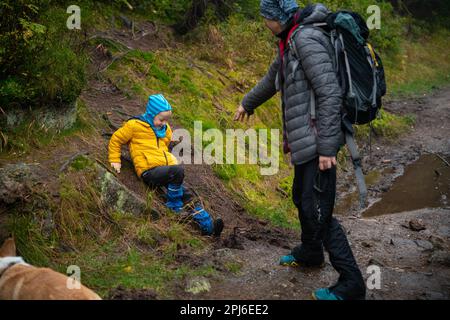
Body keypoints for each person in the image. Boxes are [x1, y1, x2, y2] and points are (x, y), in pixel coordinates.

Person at [234, 1, 366, 300]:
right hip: (307, 140)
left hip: (319, 140)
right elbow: (273, 78)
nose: (264, 23)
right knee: (301, 197)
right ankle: (310, 251)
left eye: (266, 18)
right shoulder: (290, 40)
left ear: (278, 18)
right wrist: (247, 103)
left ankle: (352, 283)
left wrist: (328, 147)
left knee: (320, 210)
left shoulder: (305, 39)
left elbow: (330, 92)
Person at [109, 94, 223, 236]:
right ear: (151, 114)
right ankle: (173, 208)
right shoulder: (134, 126)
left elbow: (163, 146)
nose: (164, 123)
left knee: (188, 195)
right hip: (148, 170)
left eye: (166, 120)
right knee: (177, 171)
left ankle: (208, 227)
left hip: (164, 171)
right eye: (161, 119)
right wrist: (115, 159)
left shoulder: (165, 129)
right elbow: (116, 139)